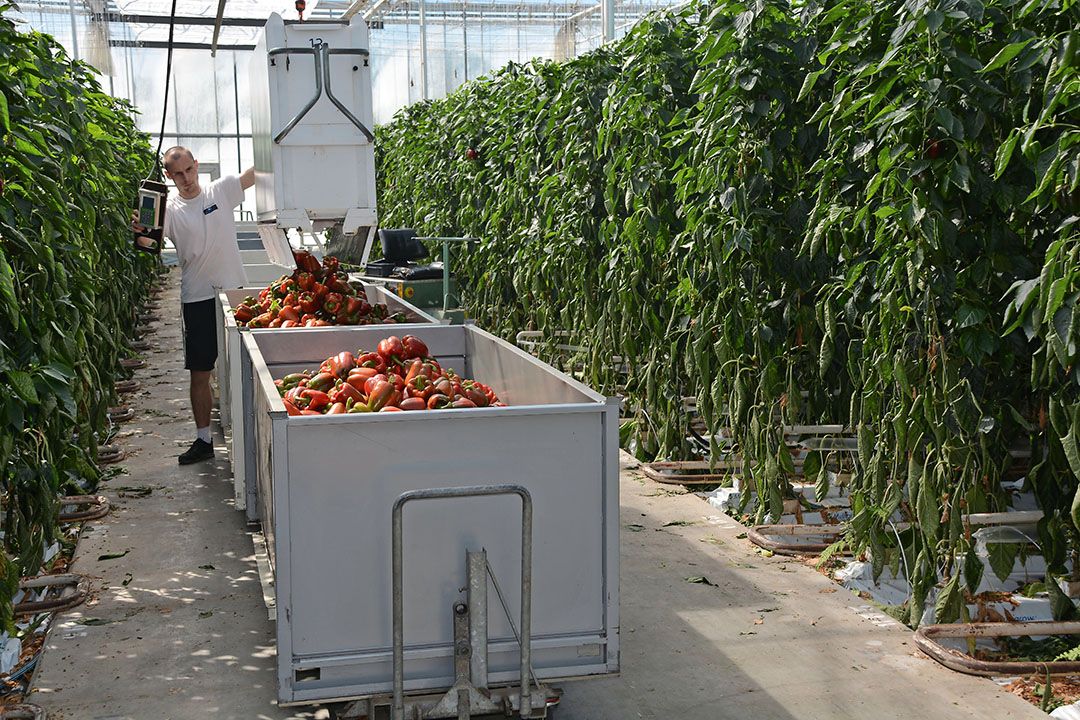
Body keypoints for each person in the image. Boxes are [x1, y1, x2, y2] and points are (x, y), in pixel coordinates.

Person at [132, 146, 255, 465]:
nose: (185, 178)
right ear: (168, 177)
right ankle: (204, 440)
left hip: (234, 293)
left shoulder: (221, 190)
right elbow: (149, 243)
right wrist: (141, 232)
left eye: (188, 170)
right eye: (177, 174)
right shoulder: (169, 210)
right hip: (197, 298)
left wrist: (284, 150)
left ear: (196, 166)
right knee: (200, 372)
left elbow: (256, 175)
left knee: (246, 366)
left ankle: (250, 429)